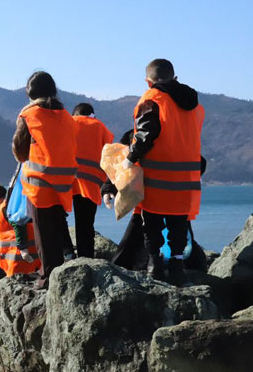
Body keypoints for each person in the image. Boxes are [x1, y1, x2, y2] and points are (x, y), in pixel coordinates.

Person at [124, 59, 205, 284]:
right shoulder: (195, 106)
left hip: (157, 176)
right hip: (186, 176)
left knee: (152, 223)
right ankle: (178, 267)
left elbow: (145, 134)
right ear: (174, 77)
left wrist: (130, 158)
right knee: (179, 223)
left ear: (148, 81)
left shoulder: (152, 99)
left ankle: (155, 264)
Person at [12, 71, 77, 287]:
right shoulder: (67, 117)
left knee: (43, 232)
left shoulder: (29, 115)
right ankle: (58, 272)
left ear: (29, 93)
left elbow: (20, 152)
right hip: (64, 182)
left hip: (39, 183)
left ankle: (47, 276)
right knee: (58, 227)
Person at [71, 103, 114, 258]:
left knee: (59, 221)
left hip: (66, 182)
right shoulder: (100, 126)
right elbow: (109, 152)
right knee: (85, 224)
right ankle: (86, 257)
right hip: (91, 183)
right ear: (92, 115)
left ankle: (67, 253)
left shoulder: (68, 123)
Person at [0, 182, 40, 276]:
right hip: (32, 261)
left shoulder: (7, 208)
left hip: (21, 264)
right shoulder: (15, 205)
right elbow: (11, 239)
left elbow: (18, 225)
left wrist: (23, 249)